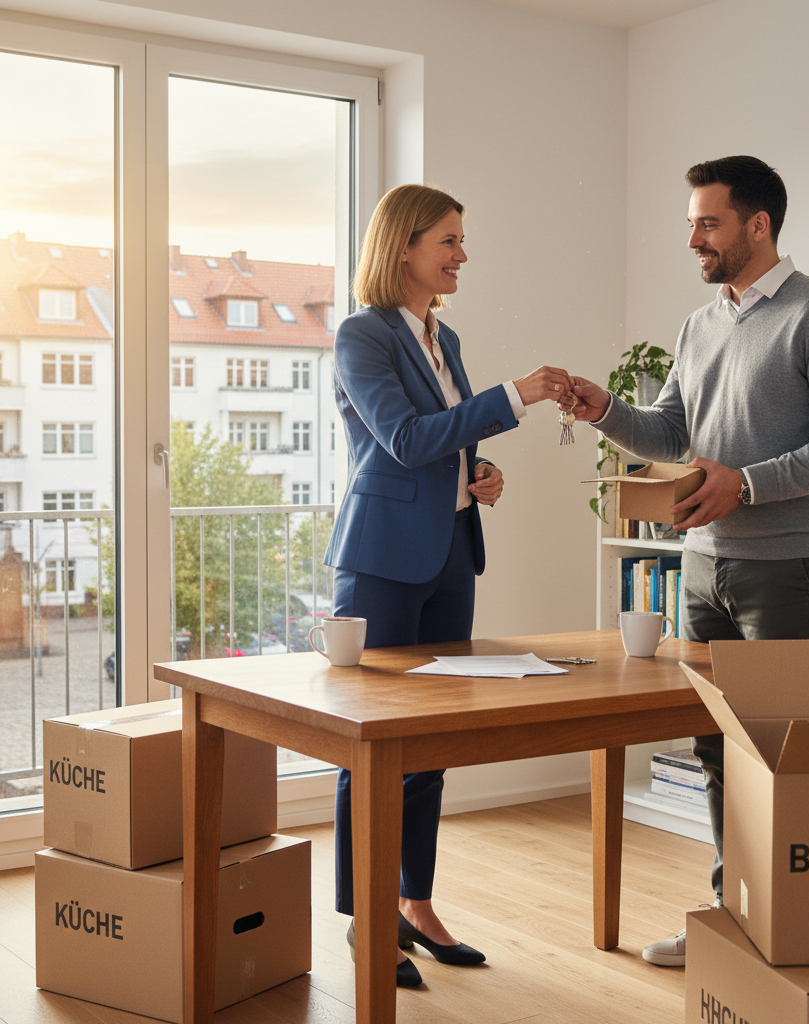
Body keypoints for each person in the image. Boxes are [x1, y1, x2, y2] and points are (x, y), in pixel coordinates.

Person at [560, 156, 809, 968]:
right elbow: (673, 432)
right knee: (714, 750)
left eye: (708, 222)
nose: (693, 239)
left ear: (757, 225)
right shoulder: (700, 325)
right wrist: (607, 410)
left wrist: (748, 484)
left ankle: (792, 928)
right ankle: (730, 916)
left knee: (777, 755)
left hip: (786, 569)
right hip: (702, 568)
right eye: (691, 223)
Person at [323, 183, 571, 988]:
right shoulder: (363, 335)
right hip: (382, 560)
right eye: (449, 240)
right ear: (404, 247)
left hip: (451, 556)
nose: (463, 254)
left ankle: (417, 903)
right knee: (371, 746)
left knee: (429, 745)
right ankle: (368, 920)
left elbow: (442, 443)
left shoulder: (442, 334)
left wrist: (478, 471)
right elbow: (400, 439)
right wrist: (515, 396)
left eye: (461, 240)